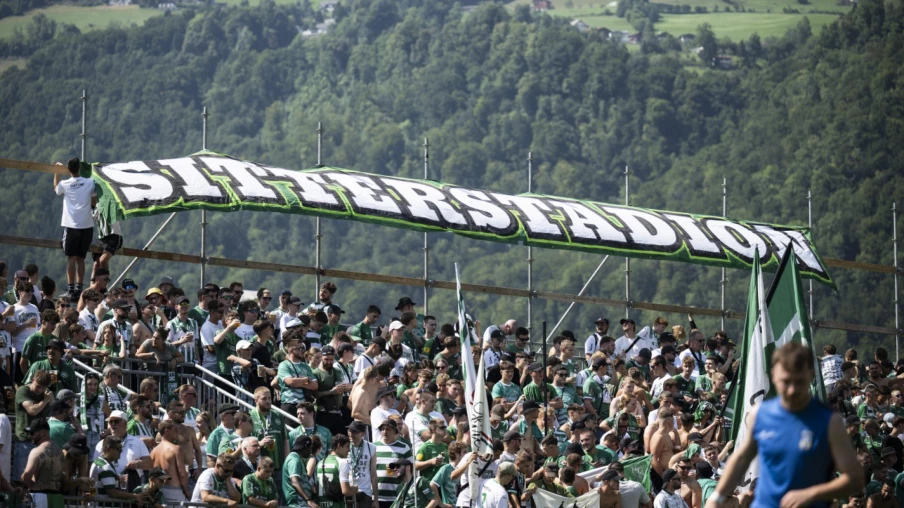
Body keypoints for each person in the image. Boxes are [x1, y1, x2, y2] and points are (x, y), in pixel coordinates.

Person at [706, 342, 864, 508]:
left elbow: (855, 478)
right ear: (774, 375)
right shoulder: (759, 414)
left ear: (810, 376)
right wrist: (716, 498)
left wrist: (812, 494)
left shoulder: (830, 422)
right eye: (786, 381)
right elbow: (741, 459)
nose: (792, 390)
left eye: (799, 382)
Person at [54, 157, 96, 298]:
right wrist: (91, 207)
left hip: (72, 225)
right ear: (79, 168)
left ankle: (71, 289)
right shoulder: (89, 182)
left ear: (68, 169)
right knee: (81, 258)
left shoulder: (65, 184)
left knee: (71, 258)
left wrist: (57, 172)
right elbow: (94, 197)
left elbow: (56, 189)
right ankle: (79, 288)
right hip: (86, 225)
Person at [90, 436, 151, 504]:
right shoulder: (105, 467)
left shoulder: (98, 461)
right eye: (118, 449)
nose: (121, 451)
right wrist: (135, 496)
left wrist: (117, 478)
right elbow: (112, 493)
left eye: (121, 448)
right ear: (108, 448)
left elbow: (94, 486)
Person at [20, 417, 63, 506]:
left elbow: (27, 476)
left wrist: (24, 477)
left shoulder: (36, 451)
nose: (30, 436)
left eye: (32, 433)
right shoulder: (60, 452)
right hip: (57, 498)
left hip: (40, 497)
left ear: (43, 432)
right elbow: (64, 478)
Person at [375, 418, 413, 507]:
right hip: (376, 496)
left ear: (395, 431)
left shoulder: (404, 447)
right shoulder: (373, 447)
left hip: (397, 496)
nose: (384, 432)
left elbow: (410, 470)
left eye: (388, 429)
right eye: (382, 429)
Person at [150, 420, 190, 501]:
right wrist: (186, 491)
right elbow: (182, 474)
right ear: (166, 431)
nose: (177, 433)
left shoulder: (153, 451)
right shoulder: (176, 449)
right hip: (174, 491)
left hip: (158, 491)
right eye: (175, 430)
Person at [317, 434, 354, 508]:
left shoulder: (319, 463)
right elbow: (346, 491)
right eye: (347, 446)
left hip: (321, 505)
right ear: (339, 445)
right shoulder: (342, 462)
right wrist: (356, 489)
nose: (349, 450)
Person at [284, 435, 317, 507]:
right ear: (305, 447)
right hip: (298, 503)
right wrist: (308, 500)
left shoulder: (298, 458)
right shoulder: (294, 460)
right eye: (310, 448)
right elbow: (294, 482)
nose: (311, 451)